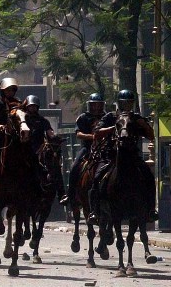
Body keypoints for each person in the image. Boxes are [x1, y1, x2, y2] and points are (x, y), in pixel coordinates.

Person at [87, 89, 157, 224]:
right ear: (119, 103)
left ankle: (151, 210)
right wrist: (113, 128)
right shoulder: (110, 117)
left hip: (132, 156)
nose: (127, 106)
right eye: (124, 103)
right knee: (96, 178)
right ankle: (94, 211)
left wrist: (144, 125)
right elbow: (96, 133)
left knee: (148, 176)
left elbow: (151, 136)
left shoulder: (136, 118)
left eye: (130, 103)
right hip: (111, 156)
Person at [59, 93, 106, 207]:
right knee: (75, 167)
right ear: (89, 105)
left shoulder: (107, 117)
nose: (96, 107)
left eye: (98, 105)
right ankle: (70, 195)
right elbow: (78, 134)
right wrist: (92, 137)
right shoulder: (83, 118)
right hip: (87, 148)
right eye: (94, 105)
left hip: (105, 147)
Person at [24, 95, 65, 200]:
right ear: (27, 107)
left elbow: (49, 132)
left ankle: (62, 194)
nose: (32, 108)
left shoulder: (43, 120)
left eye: (34, 106)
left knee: (55, 165)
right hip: (24, 149)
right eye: (30, 106)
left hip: (39, 149)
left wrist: (54, 137)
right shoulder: (23, 120)